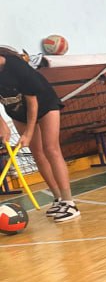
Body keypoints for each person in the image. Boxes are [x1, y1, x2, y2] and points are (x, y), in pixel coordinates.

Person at [0, 48, 77, 221]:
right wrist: (3, 126)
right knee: (37, 153)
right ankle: (58, 199)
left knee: (51, 148)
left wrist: (28, 132)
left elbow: (32, 102)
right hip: (17, 111)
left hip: (44, 105)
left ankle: (70, 203)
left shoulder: (16, 66)